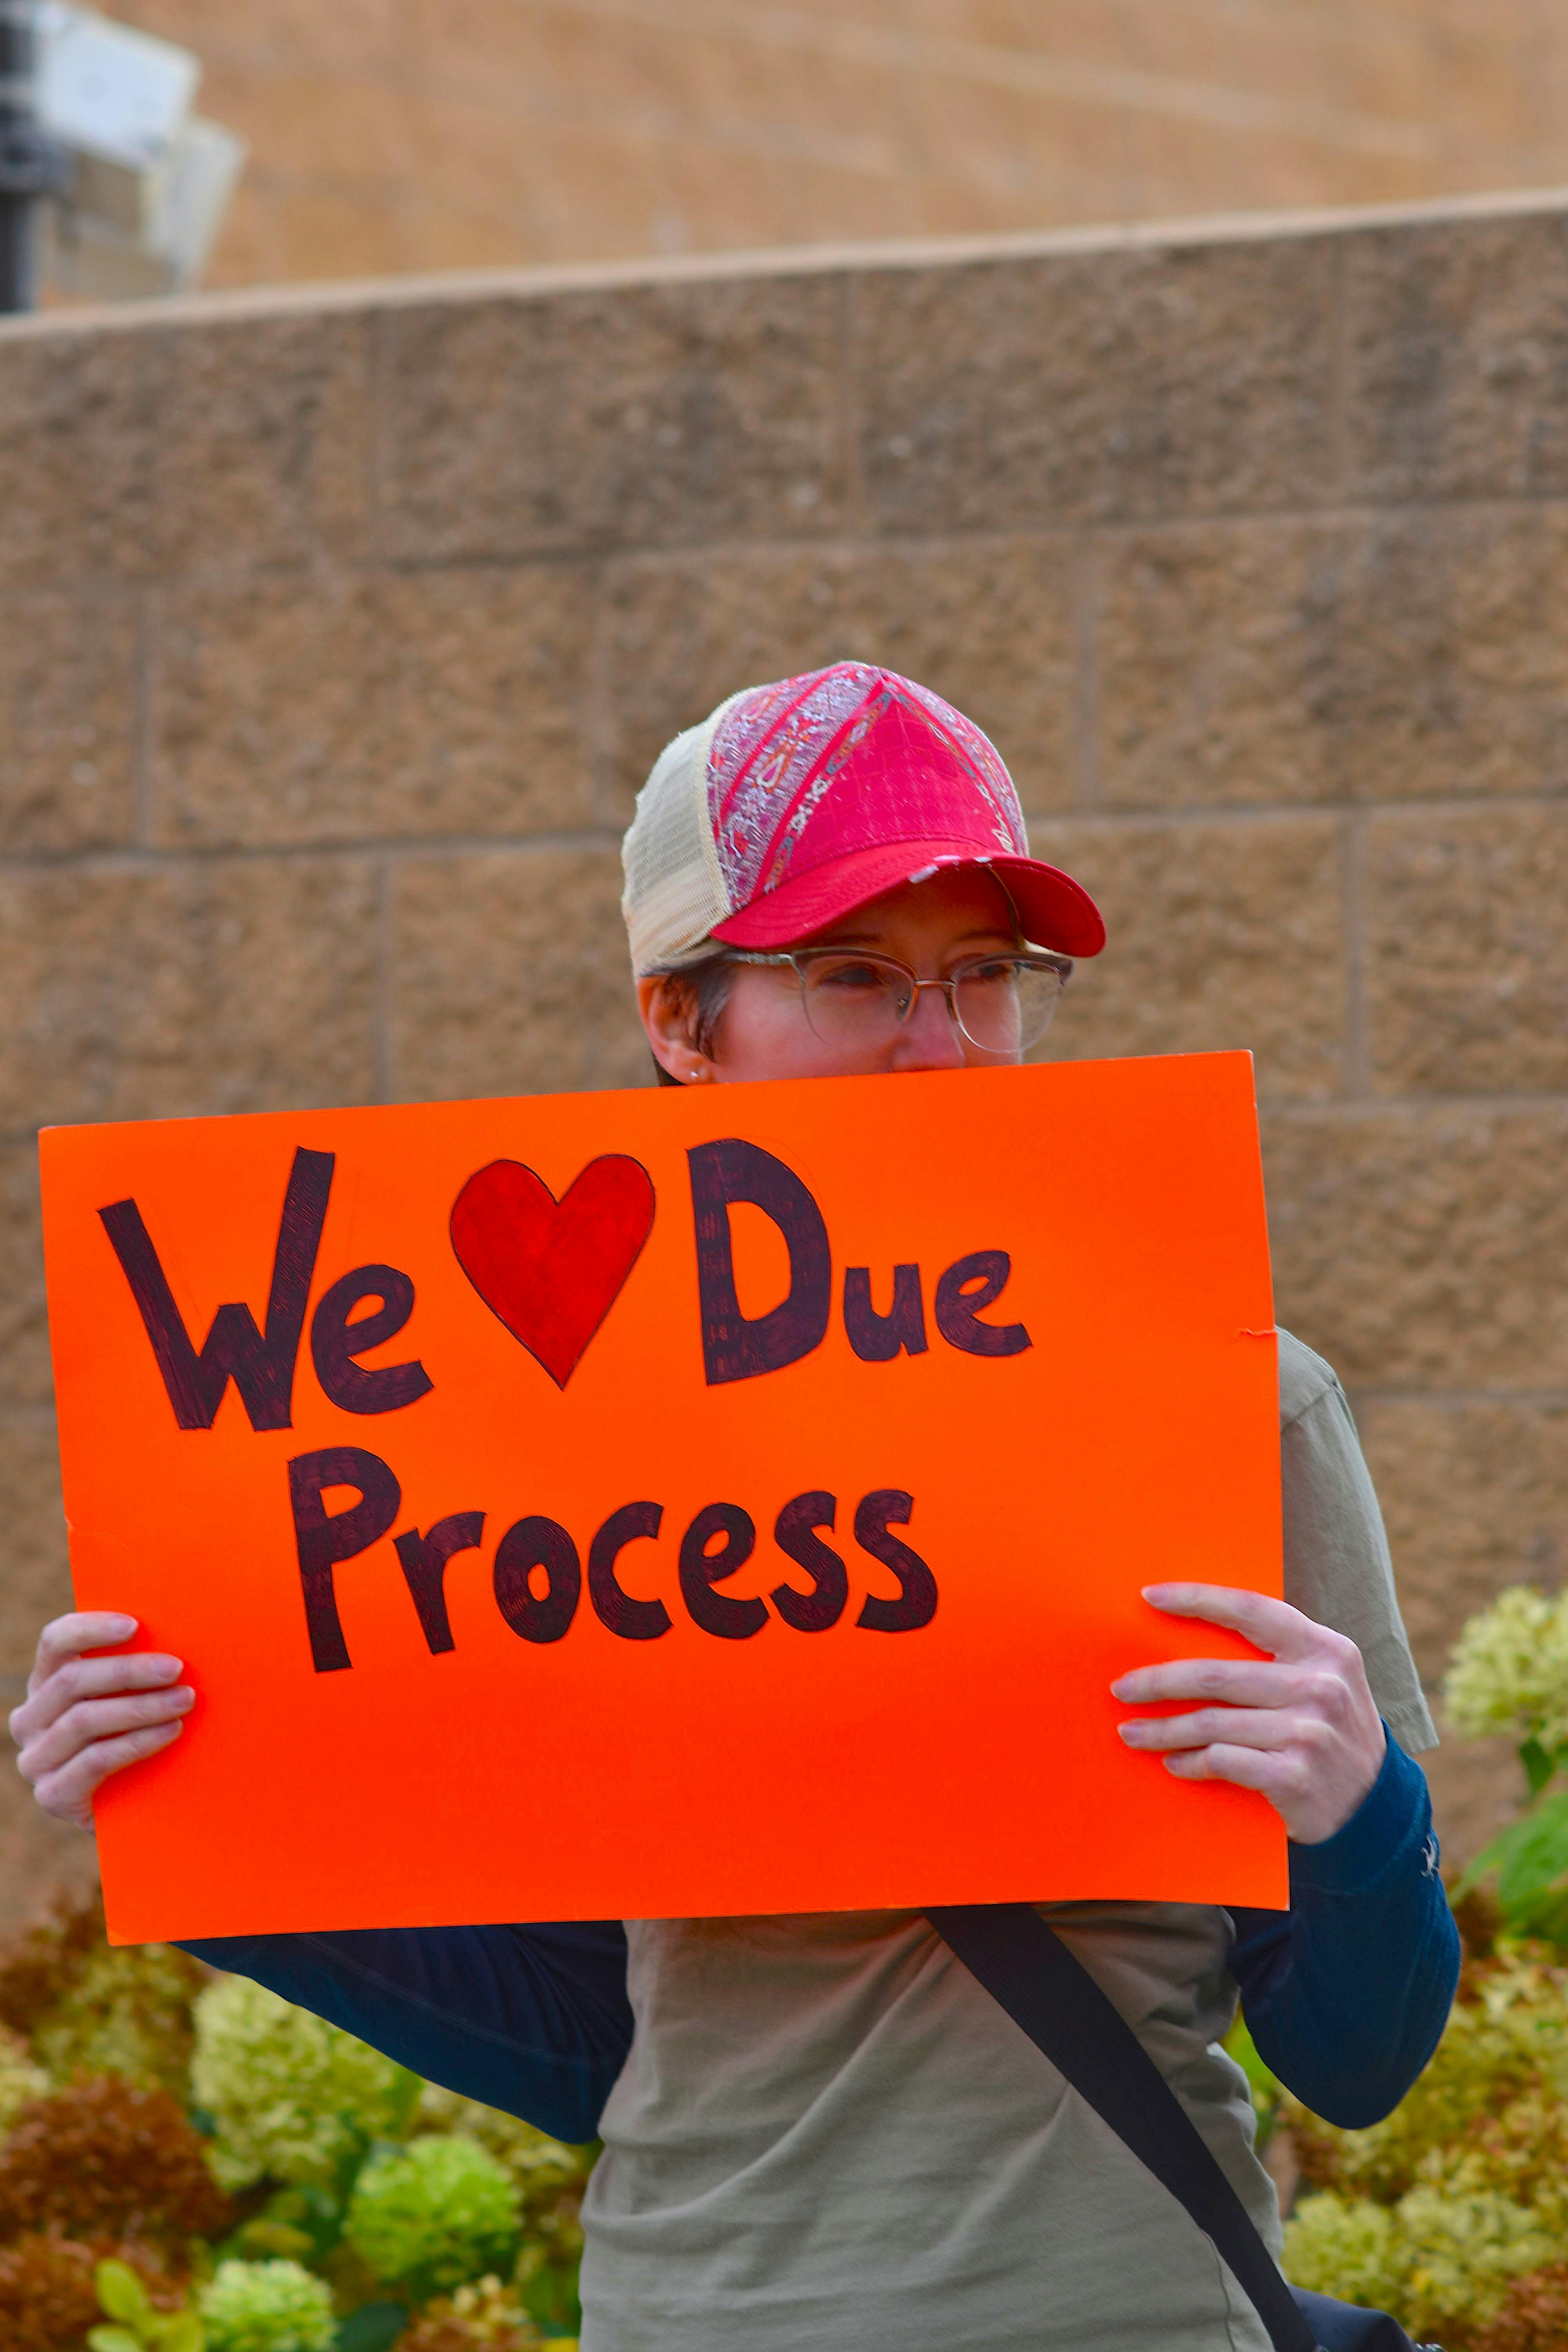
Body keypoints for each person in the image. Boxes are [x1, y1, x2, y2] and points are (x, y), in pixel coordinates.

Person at [11, 662, 1458, 2352]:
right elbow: (606, 2051)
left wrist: (1357, 1821)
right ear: (678, 1025)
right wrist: (214, 1835)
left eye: (984, 978)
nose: (943, 1050)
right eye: (856, 980)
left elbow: (1363, 2064)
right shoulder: (537, 1454)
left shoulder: (1234, 1397)